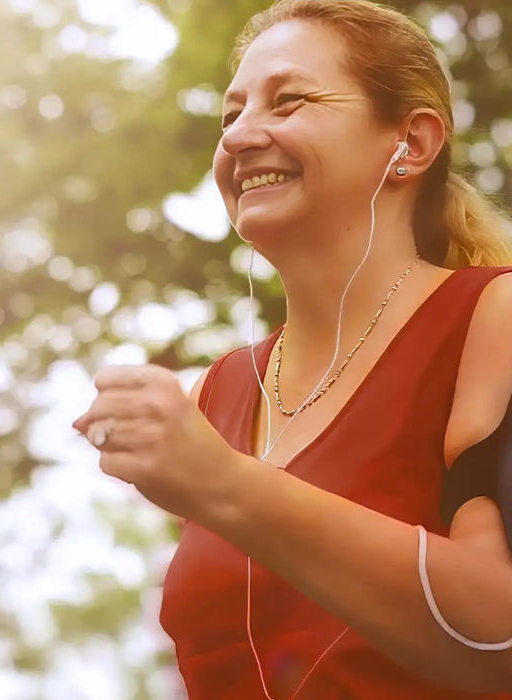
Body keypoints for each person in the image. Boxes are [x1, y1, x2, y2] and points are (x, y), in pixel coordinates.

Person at [72, 0, 512, 696]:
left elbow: (501, 642)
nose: (241, 136)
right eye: (230, 116)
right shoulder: (219, 391)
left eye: (290, 101)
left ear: (412, 144)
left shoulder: (492, 315)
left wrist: (225, 485)